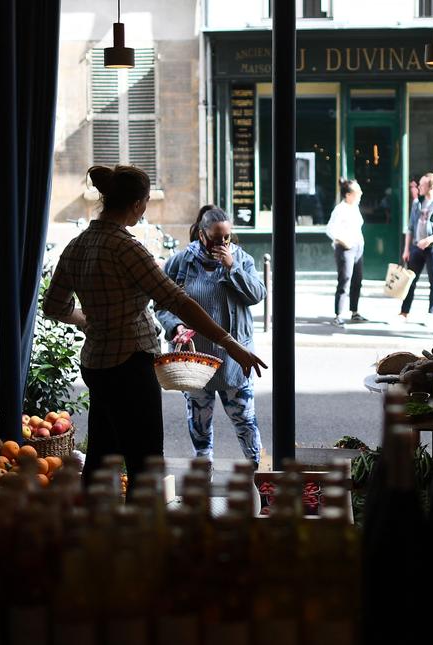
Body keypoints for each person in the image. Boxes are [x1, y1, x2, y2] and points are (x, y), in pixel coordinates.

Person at [43, 165, 267, 486]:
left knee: (102, 453)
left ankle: (94, 514)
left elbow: (54, 306)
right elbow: (178, 301)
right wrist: (230, 343)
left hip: (95, 364)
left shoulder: (77, 246)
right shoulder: (128, 249)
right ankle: (142, 518)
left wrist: (89, 318)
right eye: (146, 202)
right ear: (137, 204)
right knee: (145, 461)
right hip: (130, 365)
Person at [155, 205, 265, 467]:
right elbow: (161, 304)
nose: (222, 243)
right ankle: (204, 469)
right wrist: (175, 326)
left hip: (234, 359)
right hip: (195, 360)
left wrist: (232, 268)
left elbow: (257, 295)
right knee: (199, 422)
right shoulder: (181, 262)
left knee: (245, 420)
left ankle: (256, 469)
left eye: (226, 237)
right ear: (201, 234)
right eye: (216, 238)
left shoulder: (242, 259)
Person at [400, 172, 433, 321]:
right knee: (410, 280)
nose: (418, 187)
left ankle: (432, 314)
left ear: (431, 187)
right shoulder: (417, 203)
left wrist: (429, 240)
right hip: (416, 247)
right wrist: (406, 249)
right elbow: (410, 227)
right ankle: (404, 312)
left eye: (422, 185)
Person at [327, 178, 367, 326]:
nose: (361, 193)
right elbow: (330, 229)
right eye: (358, 191)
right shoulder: (340, 209)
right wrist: (343, 241)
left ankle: (354, 311)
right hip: (346, 249)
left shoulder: (354, 207)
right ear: (348, 195)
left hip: (358, 248)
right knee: (344, 280)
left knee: (357, 280)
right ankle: (338, 315)